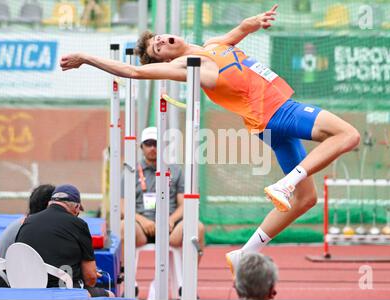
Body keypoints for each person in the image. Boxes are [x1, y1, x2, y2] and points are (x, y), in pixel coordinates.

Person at [60, 4, 360, 275]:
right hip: (278, 111)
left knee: (306, 200)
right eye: (158, 48)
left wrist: (254, 22)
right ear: (164, 60)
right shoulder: (187, 66)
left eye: (160, 39)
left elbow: (240, 31)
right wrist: (86, 58)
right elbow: (133, 71)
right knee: (348, 134)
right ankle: (285, 183)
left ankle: (245, 252)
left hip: (268, 123)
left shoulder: (213, 45)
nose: (162, 42)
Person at [15, 184, 114, 297]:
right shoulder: (78, 225)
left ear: (50, 203)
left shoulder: (27, 222)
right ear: (76, 207)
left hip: (28, 290)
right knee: (110, 295)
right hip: (65, 291)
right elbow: (90, 278)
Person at [120, 127, 205, 256]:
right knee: (123, 226)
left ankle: (189, 275)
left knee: (198, 227)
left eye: (156, 144)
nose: (152, 148)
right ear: (141, 147)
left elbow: (183, 205)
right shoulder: (130, 172)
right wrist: (143, 221)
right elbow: (122, 207)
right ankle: (123, 273)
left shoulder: (176, 171)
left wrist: (170, 220)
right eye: (148, 144)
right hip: (141, 228)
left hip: (171, 229)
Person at [0, 184, 55, 287]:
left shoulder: (24, 223)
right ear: (49, 206)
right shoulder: (30, 228)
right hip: (5, 280)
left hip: (1, 276)